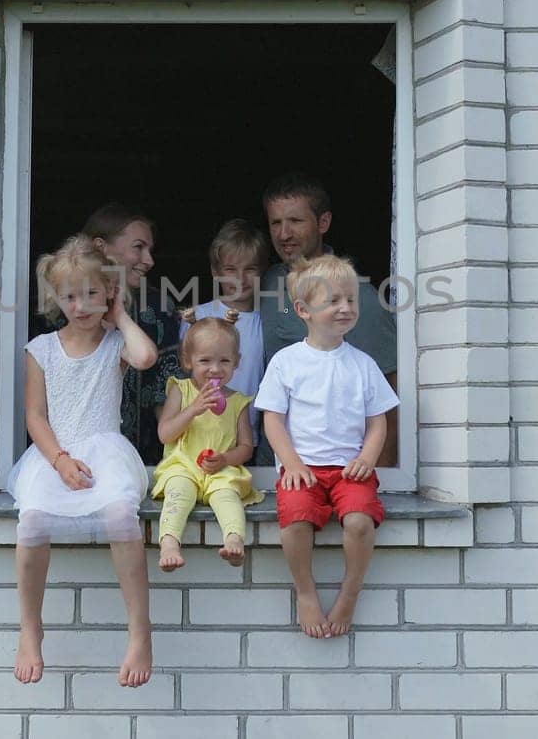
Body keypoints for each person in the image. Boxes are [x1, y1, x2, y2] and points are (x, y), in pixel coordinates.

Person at [7, 235, 155, 688]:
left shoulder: (115, 344)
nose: (82, 305)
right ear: (57, 298)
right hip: (55, 454)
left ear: (108, 292)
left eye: (93, 293)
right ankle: (31, 628)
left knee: (118, 514)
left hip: (105, 450)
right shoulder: (42, 348)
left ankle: (139, 632)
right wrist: (59, 460)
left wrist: (122, 316)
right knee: (31, 521)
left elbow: (147, 357)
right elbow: (35, 415)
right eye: (71, 296)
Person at [254, 254, 398, 640]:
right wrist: (291, 463)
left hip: (349, 470)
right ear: (303, 309)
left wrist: (367, 458)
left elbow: (377, 420)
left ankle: (350, 591)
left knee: (358, 522)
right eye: (333, 301)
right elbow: (273, 419)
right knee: (295, 522)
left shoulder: (362, 364)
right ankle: (306, 592)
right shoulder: (287, 362)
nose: (345, 308)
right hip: (304, 469)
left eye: (350, 300)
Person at [257, 173, 398, 467]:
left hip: (341, 474)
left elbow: (388, 405)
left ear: (323, 223)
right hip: (275, 471)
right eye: (276, 223)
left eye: (295, 221)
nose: (284, 234)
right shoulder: (267, 281)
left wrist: (383, 481)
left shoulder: (360, 299)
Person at [154, 317, 264, 572]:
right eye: (205, 361)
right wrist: (193, 409)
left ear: (237, 362)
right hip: (183, 466)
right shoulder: (180, 390)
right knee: (178, 494)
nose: (215, 369)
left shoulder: (238, 402)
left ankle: (234, 540)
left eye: (224, 361)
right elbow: (165, 434)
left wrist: (226, 459)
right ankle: (169, 544)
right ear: (187, 361)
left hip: (220, 470)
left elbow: (246, 447)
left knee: (228, 498)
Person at [82, 204, 185, 464]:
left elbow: (168, 388)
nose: (149, 260)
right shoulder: (69, 306)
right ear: (100, 247)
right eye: (138, 247)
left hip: (146, 460)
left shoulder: (160, 306)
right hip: (78, 458)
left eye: (149, 250)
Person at [179, 218, 269, 440]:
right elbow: (183, 376)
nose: (240, 278)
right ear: (215, 271)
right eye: (231, 269)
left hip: (246, 436)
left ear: (262, 271)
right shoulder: (196, 316)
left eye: (250, 269)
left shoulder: (266, 321)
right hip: (200, 433)